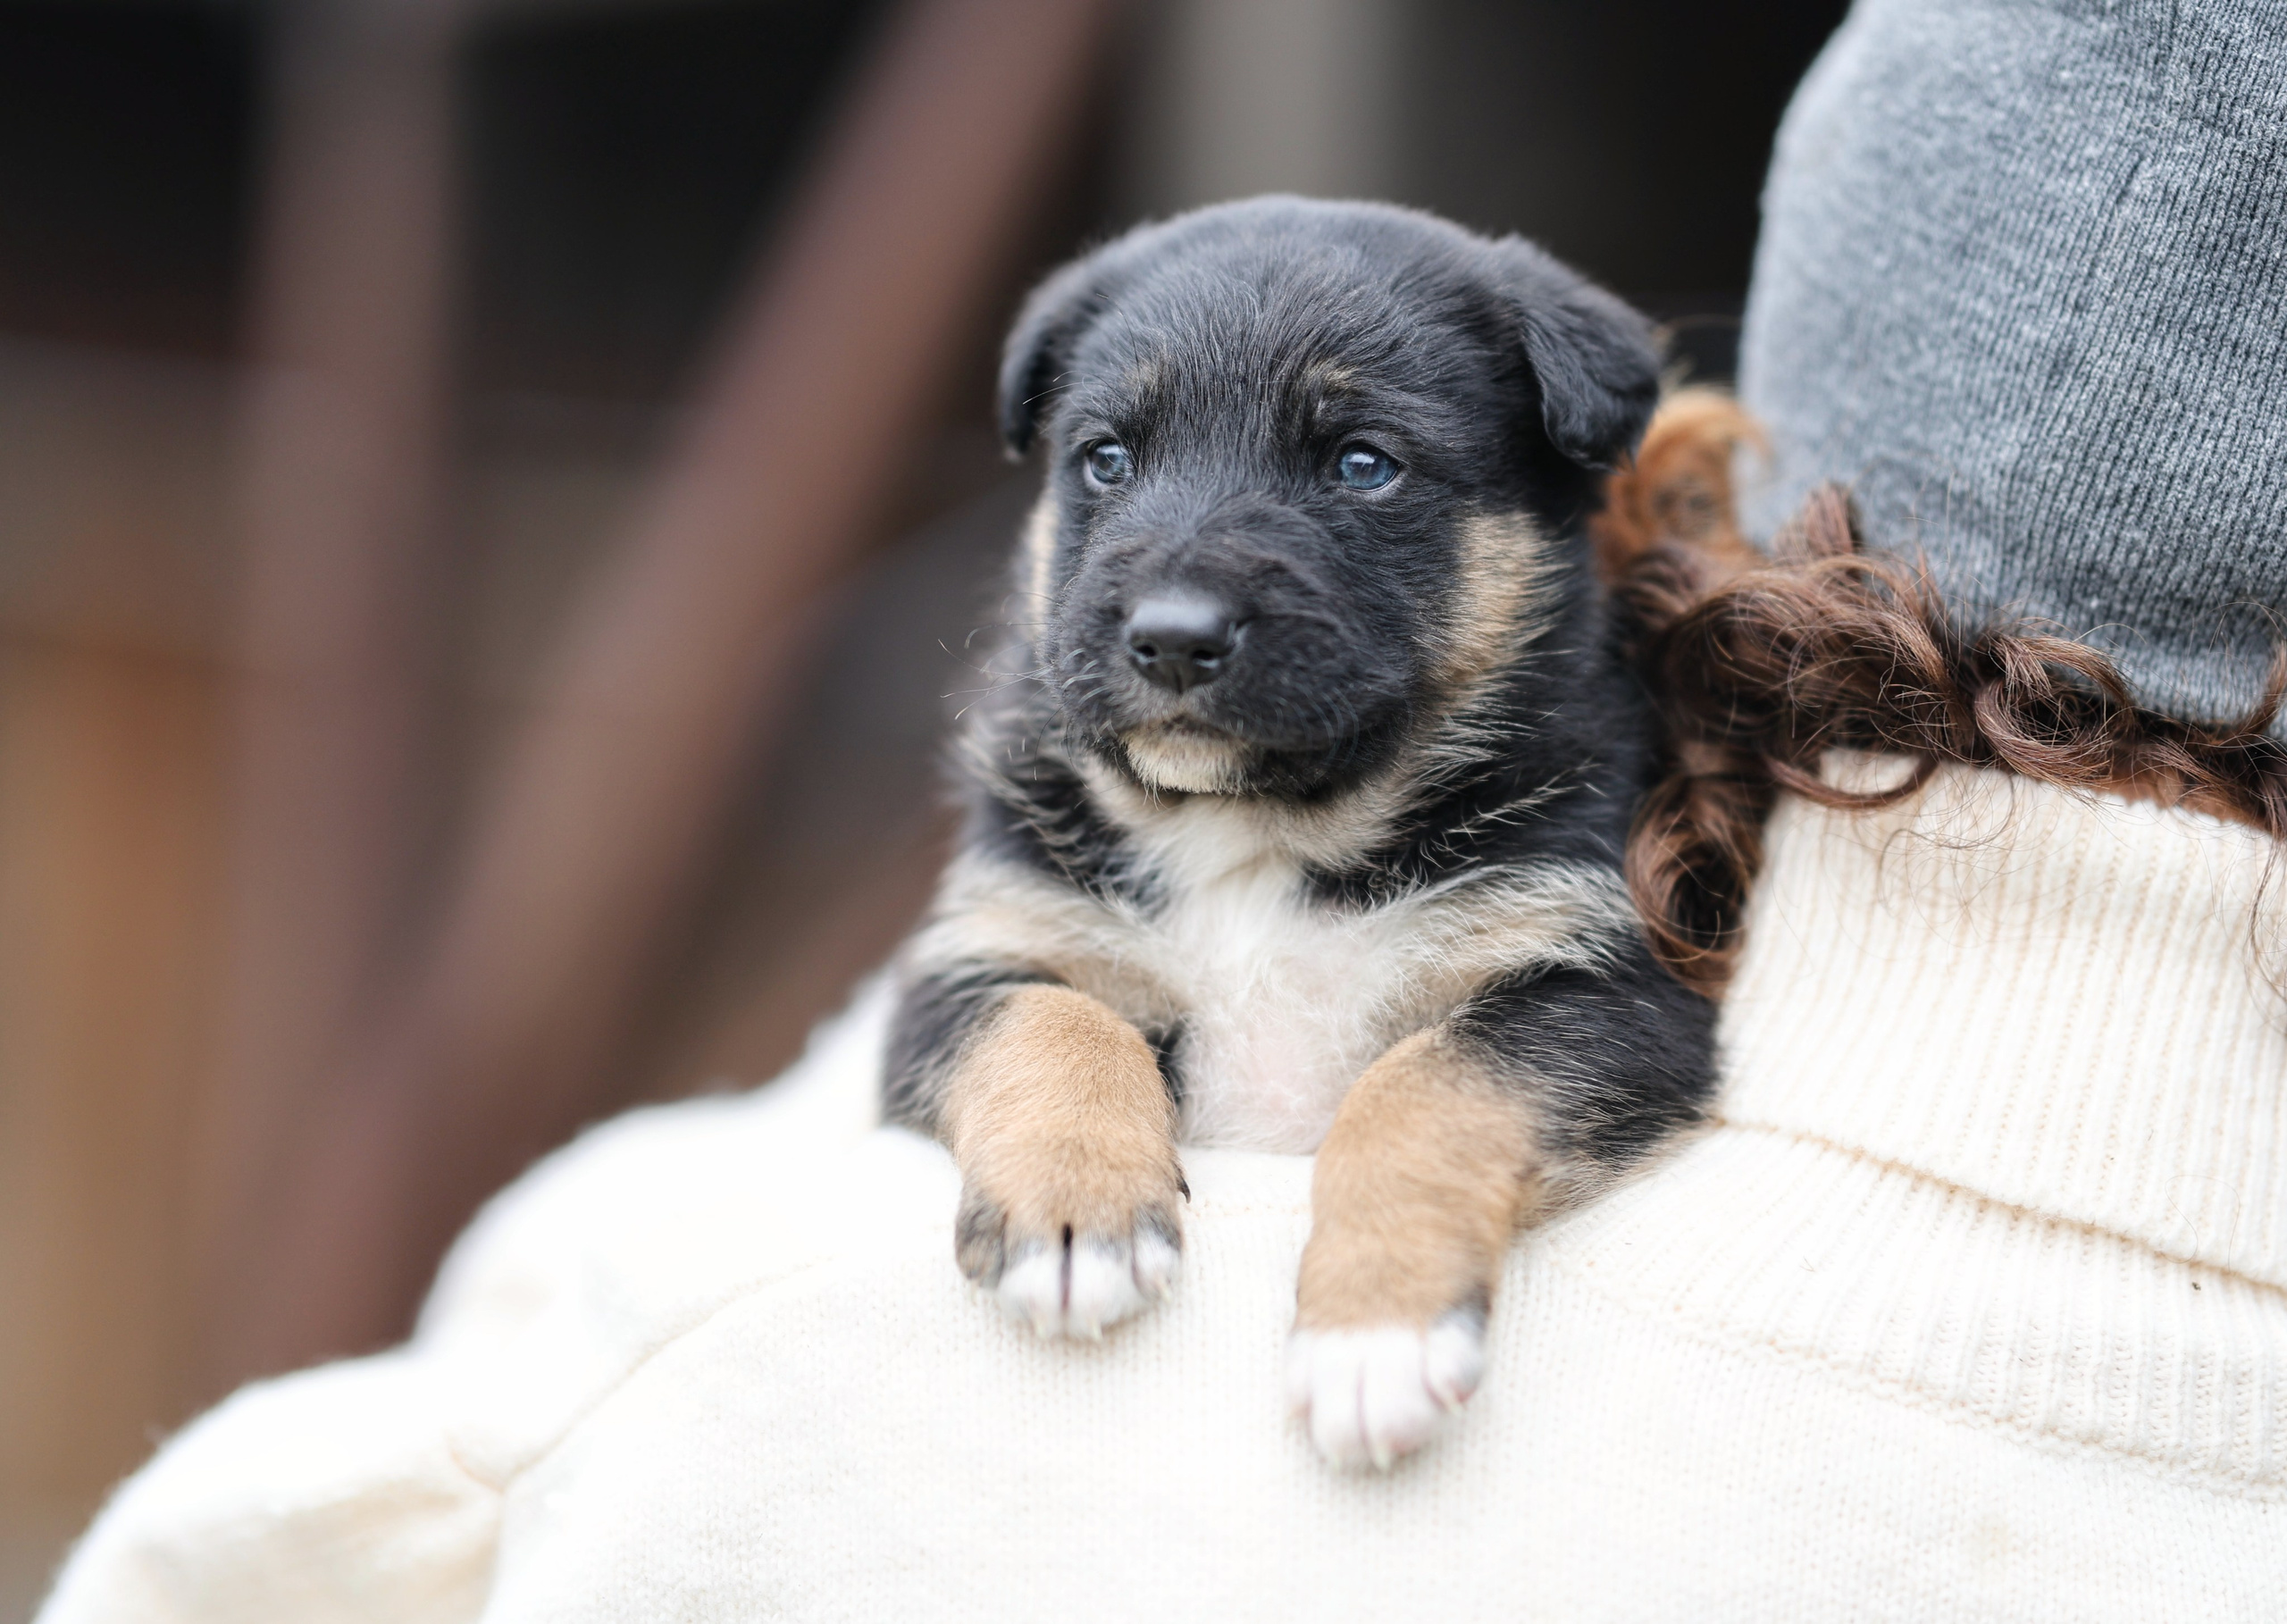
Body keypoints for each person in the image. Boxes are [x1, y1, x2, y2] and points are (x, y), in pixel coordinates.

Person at [36, 1, 2287, 1616]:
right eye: (1108, 463)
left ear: (1627, 502)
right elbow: (985, 996)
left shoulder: (671, 1327)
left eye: (1363, 468)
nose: (1186, 590)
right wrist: (1045, 1089)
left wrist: (1398, 1206)